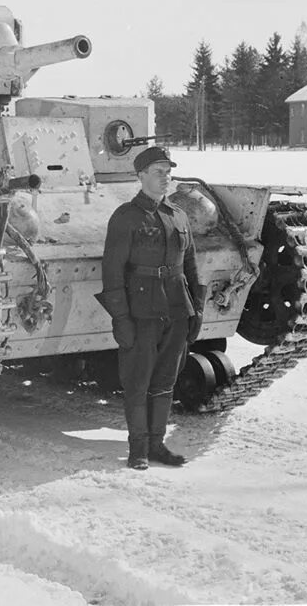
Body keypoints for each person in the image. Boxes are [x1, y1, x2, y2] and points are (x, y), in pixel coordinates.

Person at [96, 146, 203, 470]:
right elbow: (112, 272)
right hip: (141, 312)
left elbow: (190, 266)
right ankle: (138, 449)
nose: (165, 178)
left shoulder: (178, 216)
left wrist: (196, 310)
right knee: (138, 383)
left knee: (164, 383)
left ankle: (157, 445)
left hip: (176, 309)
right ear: (140, 175)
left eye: (168, 172)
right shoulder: (125, 218)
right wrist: (121, 318)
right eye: (158, 172)